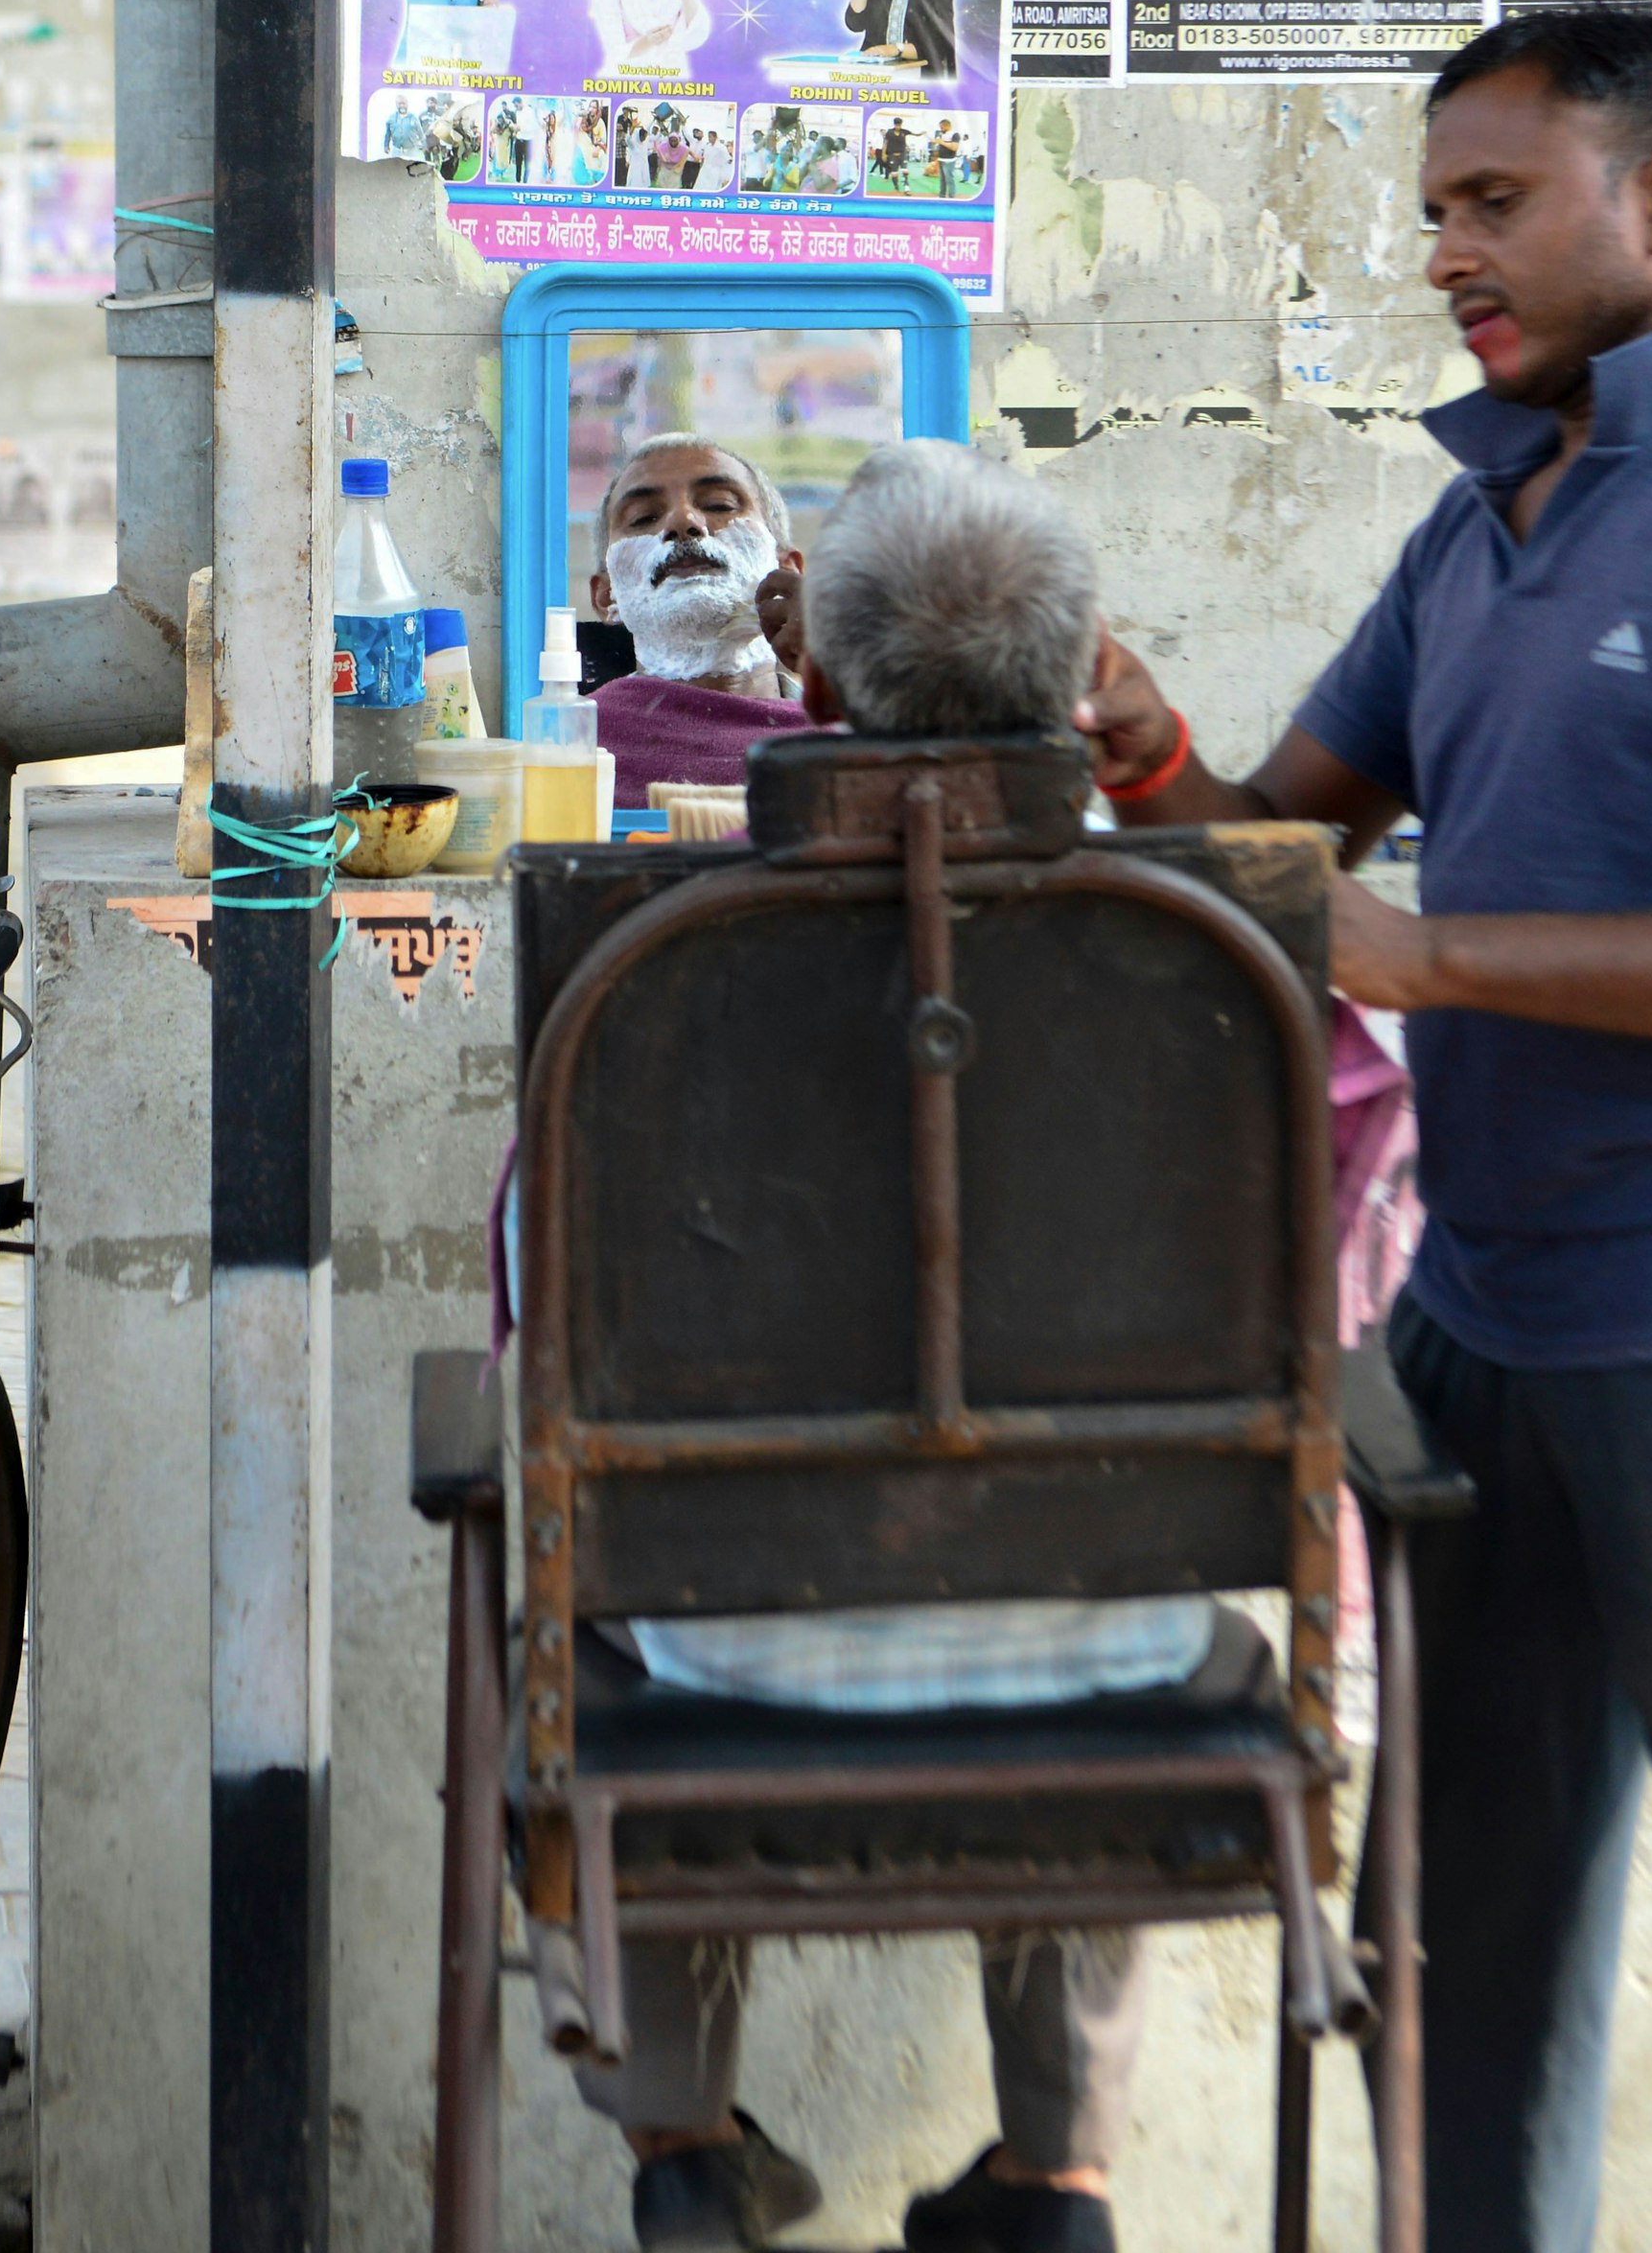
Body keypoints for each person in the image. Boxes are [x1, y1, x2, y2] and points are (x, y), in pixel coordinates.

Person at [1075, 11, 1652, 2253]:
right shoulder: (1481, 523)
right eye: (1431, 215)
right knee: (1452, 1977)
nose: (1445, 253)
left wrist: (1439, 959)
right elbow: (1278, 855)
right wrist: (1130, 735)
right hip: (1481, 1319)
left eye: (1493, 202)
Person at [565, 439, 1418, 2253]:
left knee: (587, 1582)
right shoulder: (1211, 960)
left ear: (809, 672)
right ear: (1086, 655)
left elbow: (537, 1309)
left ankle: (682, 2156)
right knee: (1096, 1543)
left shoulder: (658, 960)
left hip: (737, 1660)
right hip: (1115, 1642)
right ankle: (1059, 2178)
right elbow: (1334, 1249)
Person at [583, 434, 811, 794]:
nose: (682, 520)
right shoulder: (567, 754)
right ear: (607, 595)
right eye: (644, 518)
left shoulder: (860, 733)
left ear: (787, 570)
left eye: (720, 505)